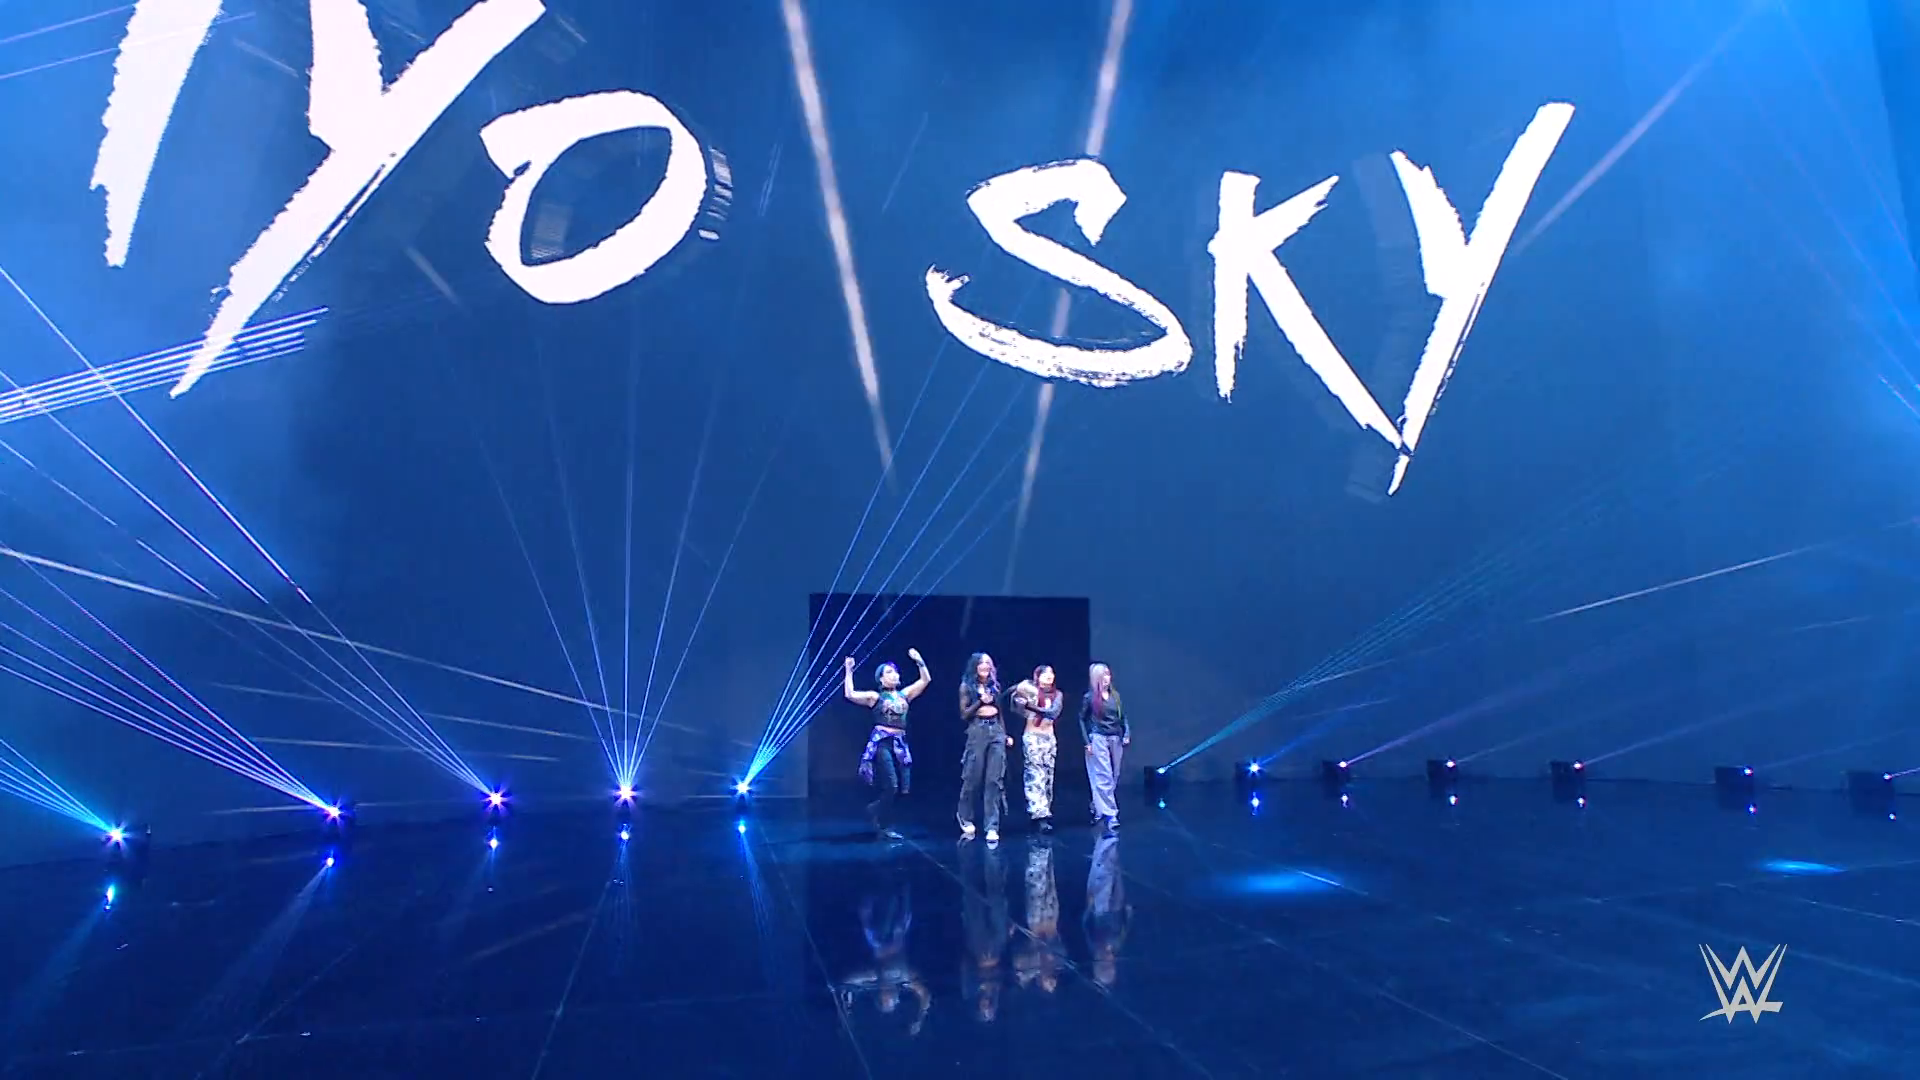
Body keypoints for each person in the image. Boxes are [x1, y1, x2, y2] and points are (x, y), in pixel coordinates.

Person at [844, 648, 930, 840]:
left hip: (900, 744)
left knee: (900, 788)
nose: (894, 674)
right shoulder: (875, 697)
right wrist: (849, 670)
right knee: (891, 784)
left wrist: (919, 660)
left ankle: (876, 810)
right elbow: (850, 694)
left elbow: (925, 680)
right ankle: (882, 822)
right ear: (881, 680)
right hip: (882, 743)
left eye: (896, 671)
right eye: (889, 672)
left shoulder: (905, 695)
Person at [956, 652, 1011, 842]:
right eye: (981, 663)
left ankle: (992, 826)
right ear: (975, 666)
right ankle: (965, 816)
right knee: (973, 777)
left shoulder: (995, 686)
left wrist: (1004, 734)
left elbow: (1000, 712)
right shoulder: (966, 686)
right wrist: (981, 701)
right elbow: (964, 714)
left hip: (995, 729)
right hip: (977, 730)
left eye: (988, 662)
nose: (985, 666)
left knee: (994, 780)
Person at [1010, 666, 1064, 833]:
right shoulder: (1030, 691)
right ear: (1038, 677)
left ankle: (1044, 809)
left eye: (1051, 673)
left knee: (1048, 775)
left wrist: (1030, 706)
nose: (1049, 676)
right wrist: (1019, 701)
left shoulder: (1057, 695)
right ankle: (1039, 814)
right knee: (1035, 774)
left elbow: (1052, 713)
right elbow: (1015, 705)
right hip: (1033, 736)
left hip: (1049, 738)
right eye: (1045, 673)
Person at [1079, 662, 1128, 832]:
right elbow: (1081, 719)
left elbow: (1123, 717)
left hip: (1115, 738)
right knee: (1104, 776)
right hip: (1098, 738)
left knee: (1114, 775)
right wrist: (1087, 742)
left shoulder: (1115, 696)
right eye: (1102, 676)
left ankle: (1098, 805)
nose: (1106, 678)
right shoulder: (1090, 698)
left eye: (1108, 674)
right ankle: (1111, 814)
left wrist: (1126, 733)